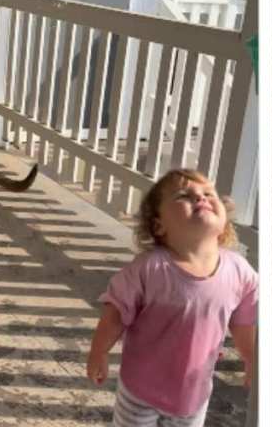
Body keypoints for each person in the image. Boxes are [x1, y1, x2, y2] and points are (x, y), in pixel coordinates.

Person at [87, 168, 258, 426]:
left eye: (208, 193)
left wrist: (251, 359)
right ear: (159, 225)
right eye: (183, 196)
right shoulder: (149, 269)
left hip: (193, 395)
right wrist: (98, 351)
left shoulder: (239, 271)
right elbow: (115, 313)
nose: (200, 198)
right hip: (140, 390)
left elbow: (243, 322)